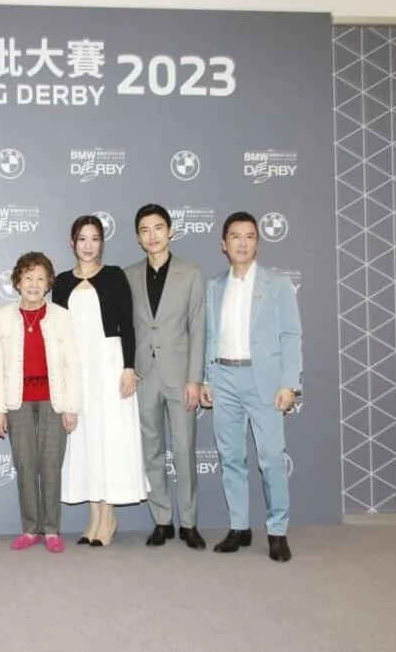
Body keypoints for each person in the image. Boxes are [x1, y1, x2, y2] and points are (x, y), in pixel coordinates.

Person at [200, 211, 302, 562]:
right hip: (224, 378)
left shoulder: (278, 284)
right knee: (231, 458)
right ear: (223, 244)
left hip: (265, 380)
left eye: (249, 236)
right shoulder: (214, 286)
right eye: (235, 236)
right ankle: (239, 527)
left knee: (271, 458)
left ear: (257, 241)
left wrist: (290, 384)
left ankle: (278, 531)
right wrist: (206, 377)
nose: (242, 243)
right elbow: (209, 335)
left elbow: (291, 335)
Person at [56, 215, 148, 547]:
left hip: (109, 365)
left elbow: (128, 325)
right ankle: (94, 515)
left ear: (102, 243)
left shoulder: (114, 276)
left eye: (95, 239)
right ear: (72, 242)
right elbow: (58, 334)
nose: (88, 245)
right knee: (85, 438)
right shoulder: (61, 282)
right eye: (82, 239)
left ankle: (108, 516)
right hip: (77, 368)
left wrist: (129, 367)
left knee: (110, 436)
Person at [124, 203, 207, 549]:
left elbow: (198, 328)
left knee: (184, 450)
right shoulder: (129, 276)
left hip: (181, 376)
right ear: (138, 238)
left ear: (170, 231)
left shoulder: (191, 273)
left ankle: (189, 523)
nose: (152, 235)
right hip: (145, 374)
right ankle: (162, 520)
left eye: (158, 228)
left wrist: (195, 378)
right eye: (145, 230)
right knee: (152, 450)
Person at [0, 252, 81, 554]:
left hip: (54, 402)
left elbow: (72, 364)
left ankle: (52, 529)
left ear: (49, 283)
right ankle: (30, 529)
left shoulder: (61, 316)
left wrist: (71, 407)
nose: (33, 284)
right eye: (28, 278)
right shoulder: (3, 317)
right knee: (25, 464)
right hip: (17, 402)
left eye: (40, 278)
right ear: (17, 281)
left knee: (51, 464)